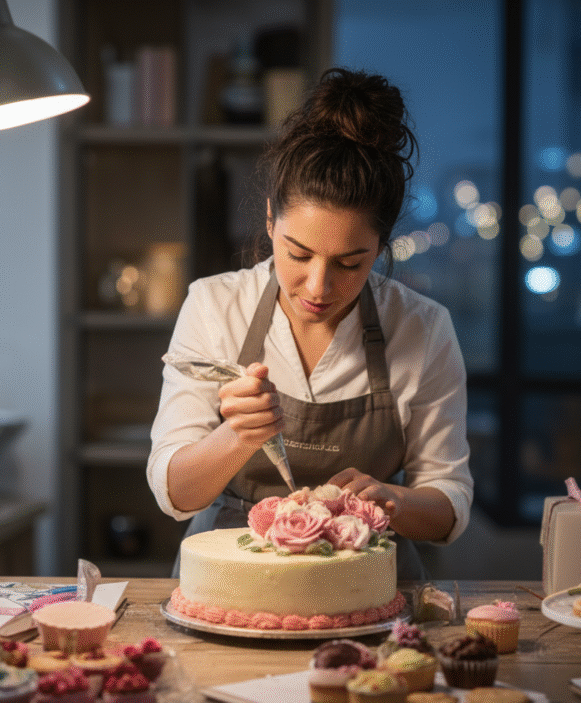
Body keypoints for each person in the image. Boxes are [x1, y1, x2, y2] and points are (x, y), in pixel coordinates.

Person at [147, 67, 473, 580]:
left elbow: (449, 503)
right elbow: (174, 492)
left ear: (381, 248)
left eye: (350, 263)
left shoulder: (422, 329)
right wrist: (236, 436)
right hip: (229, 576)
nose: (318, 287)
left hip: (367, 580)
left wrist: (393, 501)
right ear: (272, 220)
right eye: (298, 254)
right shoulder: (216, 305)